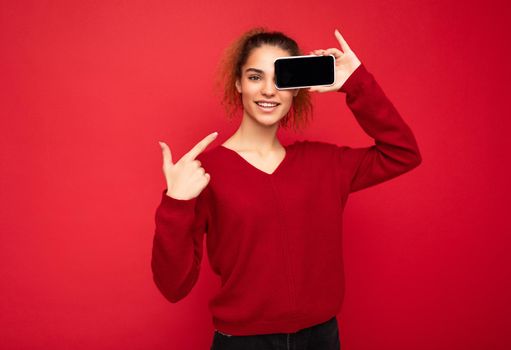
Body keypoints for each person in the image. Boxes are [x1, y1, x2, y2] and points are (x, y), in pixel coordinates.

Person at [152, 27, 422, 350]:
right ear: (238, 83)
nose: (268, 90)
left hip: (321, 339)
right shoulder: (203, 174)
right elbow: (173, 286)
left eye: (281, 79)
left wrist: (356, 84)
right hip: (242, 343)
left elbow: (402, 152)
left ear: (297, 89)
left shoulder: (324, 163)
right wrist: (176, 203)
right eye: (255, 77)